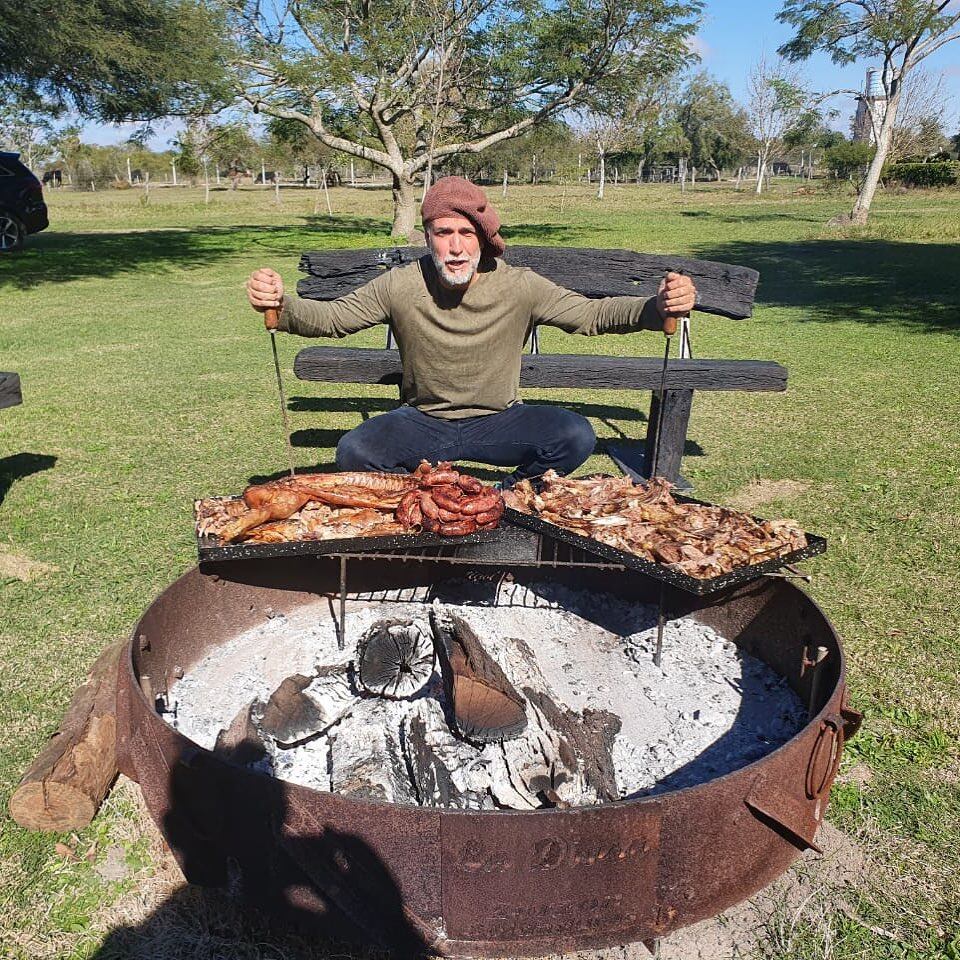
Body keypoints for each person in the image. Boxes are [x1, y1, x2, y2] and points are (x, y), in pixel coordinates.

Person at [246, 176, 696, 486]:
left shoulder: (520, 286)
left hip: (500, 421)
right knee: (353, 452)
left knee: (575, 434)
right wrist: (282, 306)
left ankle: (507, 497)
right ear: (427, 236)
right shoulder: (401, 283)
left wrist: (656, 308)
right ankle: (422, 503)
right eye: (444, 232)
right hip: (422, 421)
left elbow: (591, 315)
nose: (456, 247)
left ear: (483, 239)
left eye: (466, 233)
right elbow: (332, 319)